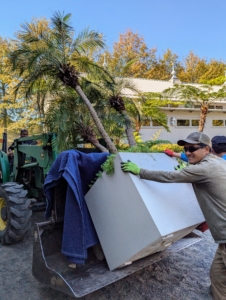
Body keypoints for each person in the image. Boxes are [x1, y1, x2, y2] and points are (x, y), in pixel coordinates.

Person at [121, 132, 226, 300]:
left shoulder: (204, 169)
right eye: (185, 149)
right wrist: (188, 171)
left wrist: (140, 171)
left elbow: (170, 176)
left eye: (192, 148)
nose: (188, 152)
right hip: (223, 240)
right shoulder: (217, 162)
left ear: (207, 149)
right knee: (217, 276)